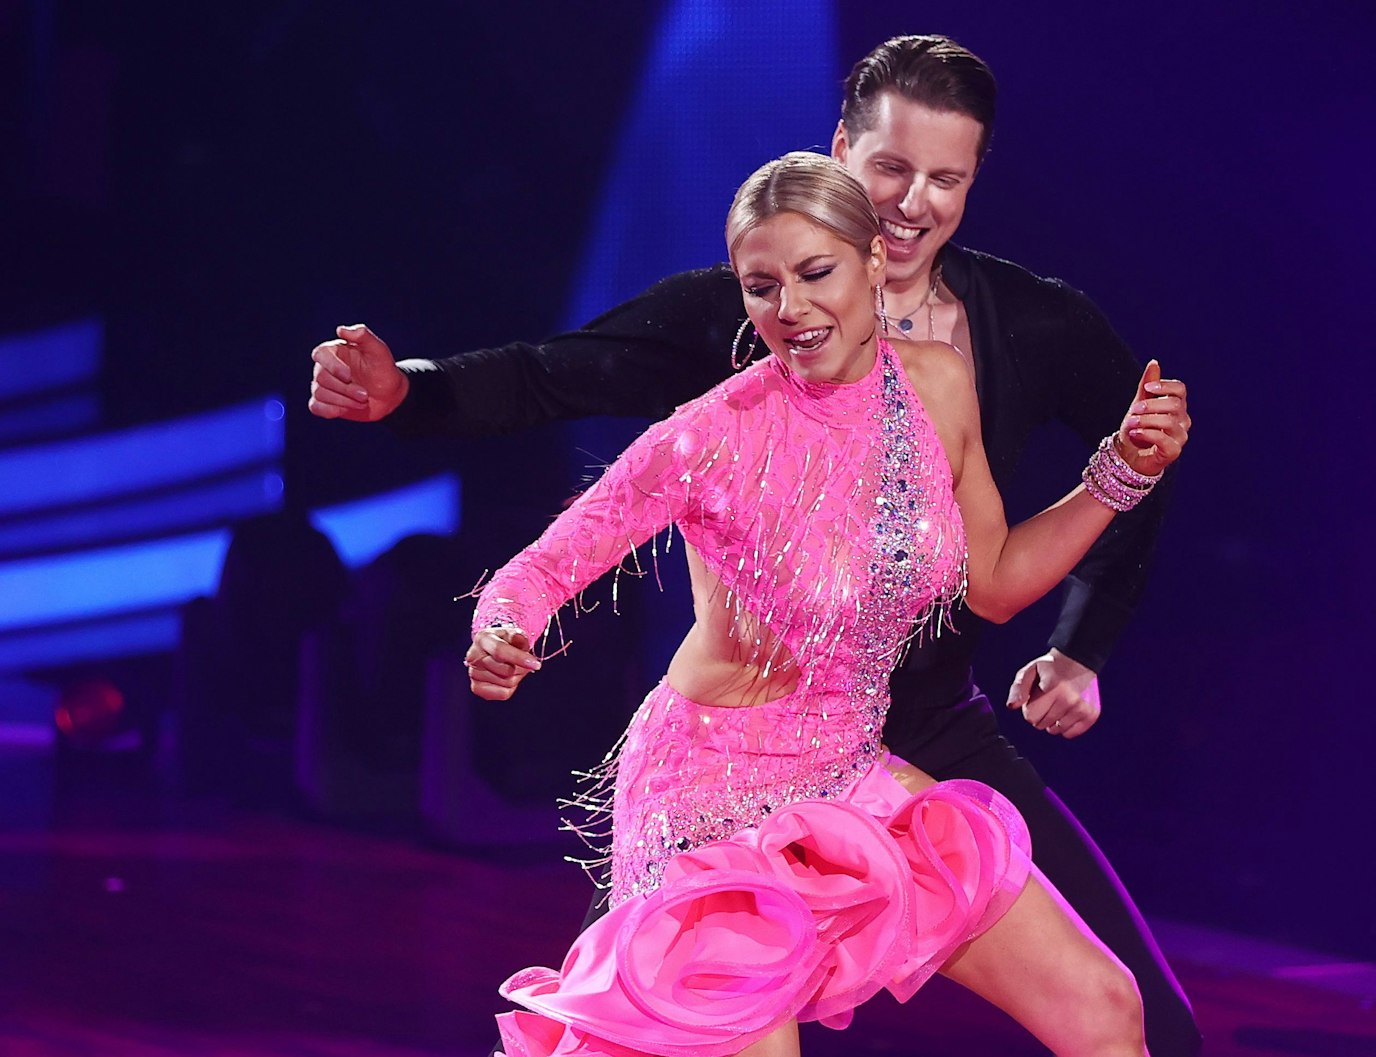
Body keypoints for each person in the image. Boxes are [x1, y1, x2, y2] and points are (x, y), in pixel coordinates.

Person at [311, 36, 1201, 1056]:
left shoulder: (965, 363)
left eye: (943, 178)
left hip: (880, 749)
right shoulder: (717, 409)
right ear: (841, 163)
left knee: (1112, 1008)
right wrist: (412, 405)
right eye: (763, 286)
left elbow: (995, 581)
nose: (790, 307)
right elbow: (555, 406)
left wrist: (1115, 499)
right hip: (714, 792)